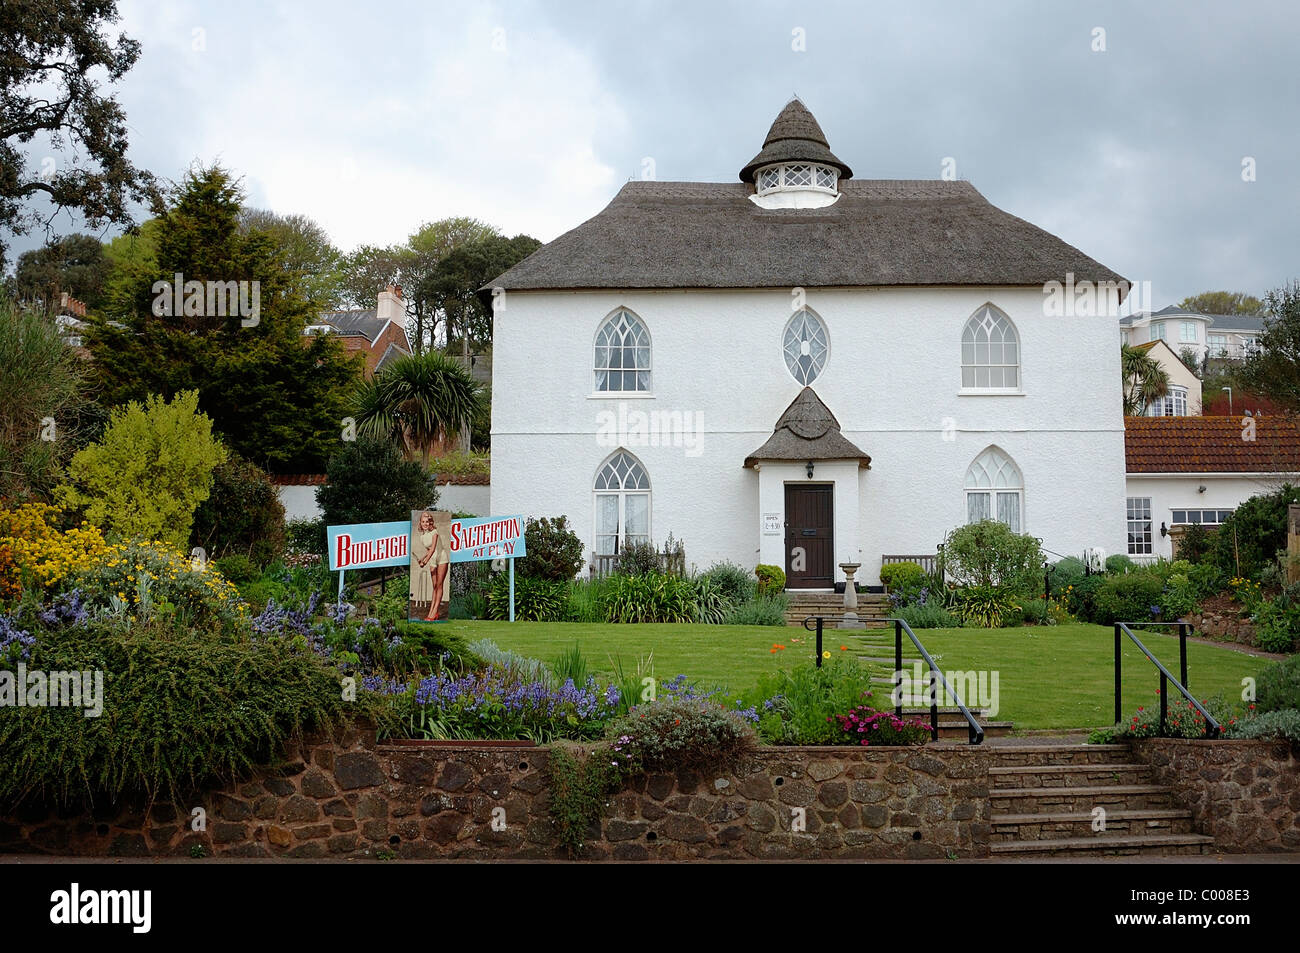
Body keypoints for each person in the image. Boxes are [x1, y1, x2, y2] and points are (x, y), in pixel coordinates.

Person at [411, 510, 450, 621]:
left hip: (441, 558)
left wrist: (425, 562)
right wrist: (422, 559)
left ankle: (433, 613)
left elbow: (433, 549)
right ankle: (432, 612)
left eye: (427, 522)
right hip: (432, 560)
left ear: (430, 523)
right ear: (420, 523)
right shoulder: (422, 537)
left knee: (439, 585)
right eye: (423, 522)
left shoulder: (435, 532)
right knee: (434, 587)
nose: (425, 524)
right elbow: (428, 551)